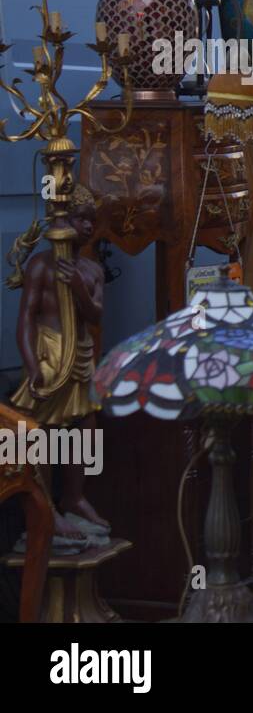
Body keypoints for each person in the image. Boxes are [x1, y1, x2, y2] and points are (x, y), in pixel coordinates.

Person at [9, 185, 109, 542]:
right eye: (79, 218)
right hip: (49, 355)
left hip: (81, 354)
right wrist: (31, 364)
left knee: (87, 424)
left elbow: (95, 315)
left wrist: (80, 288)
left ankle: (75, 496)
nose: (86, 227)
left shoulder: (92, 270)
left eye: (90, 221)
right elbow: (26, 319)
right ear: (61, 221)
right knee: (43, 432)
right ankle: (44, 506)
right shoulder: (40, 266)